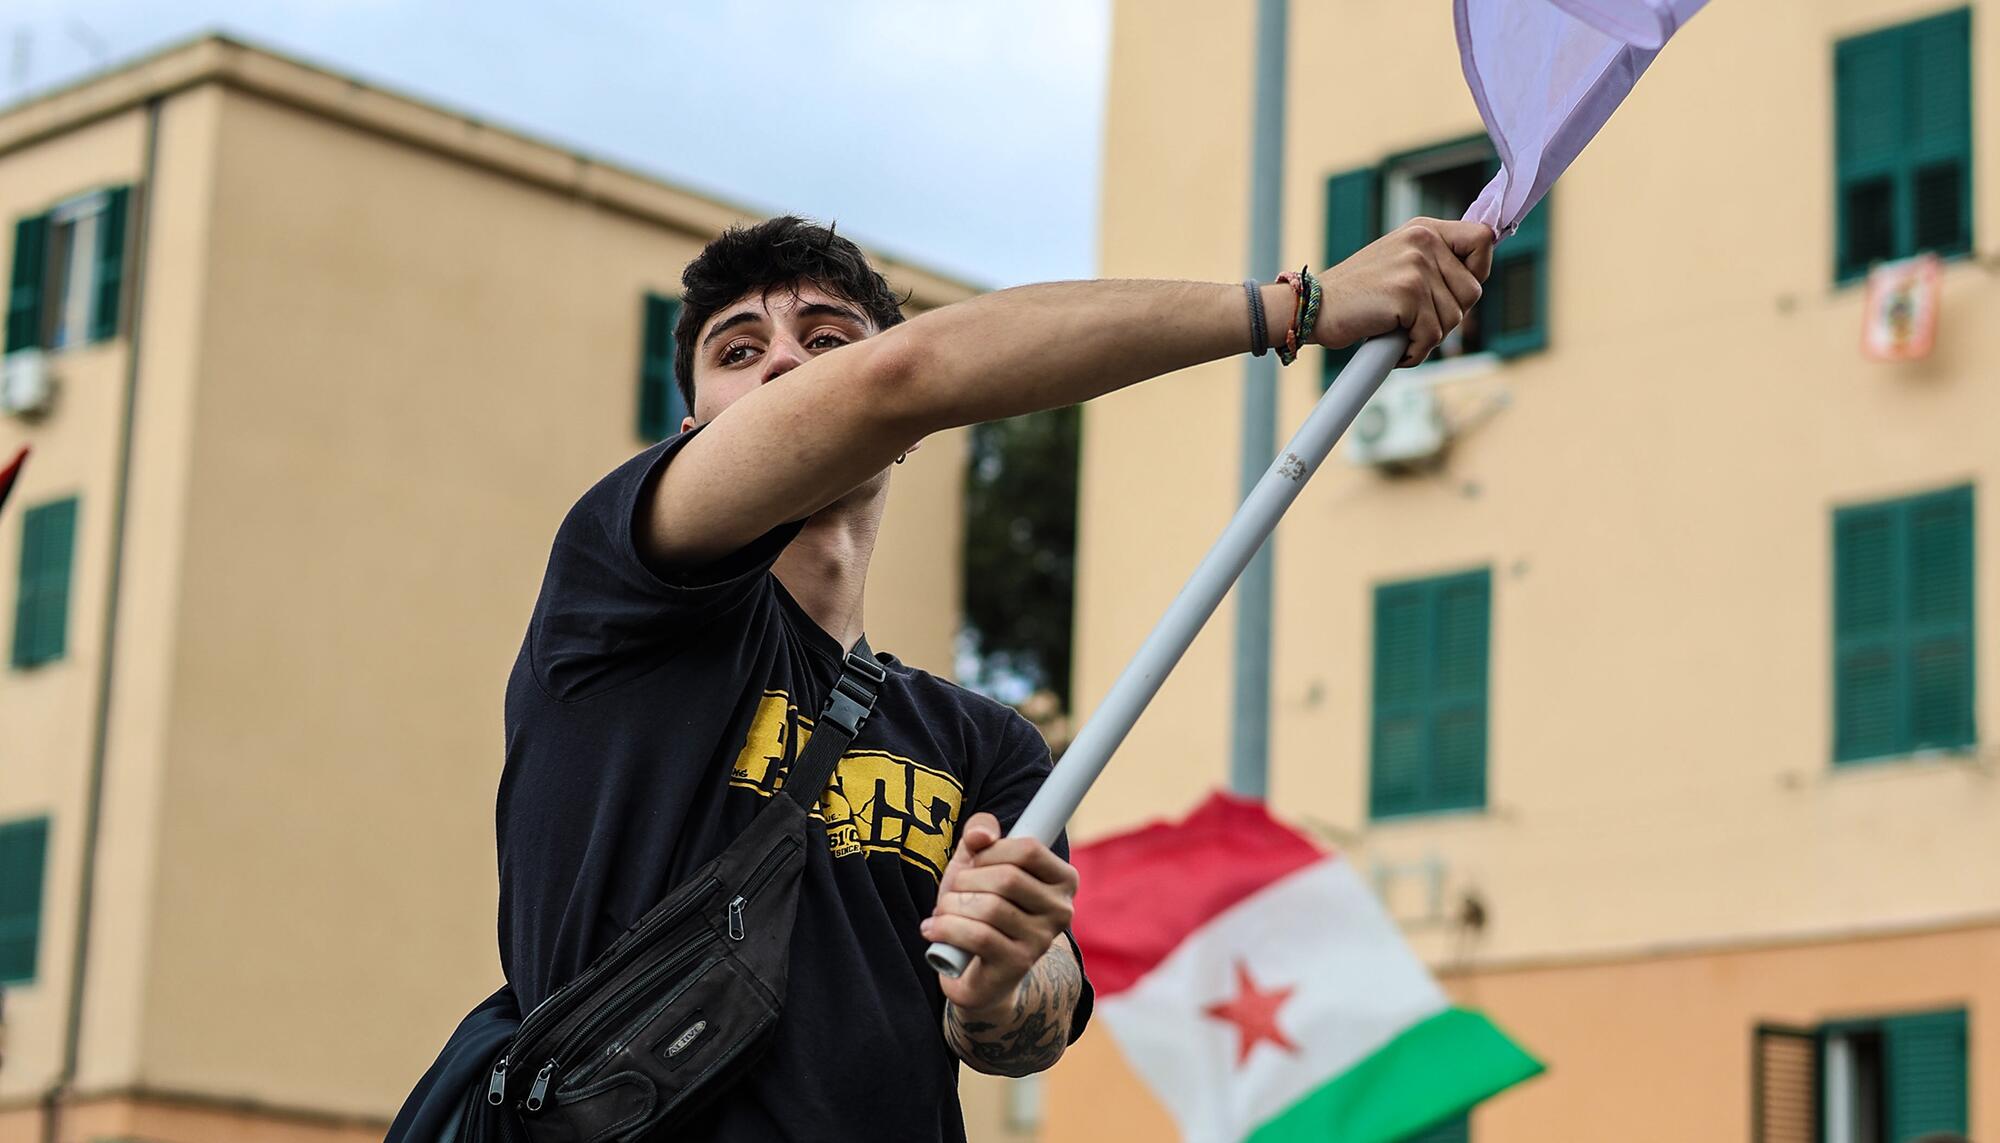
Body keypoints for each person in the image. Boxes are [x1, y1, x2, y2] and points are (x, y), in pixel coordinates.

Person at [392, 213, 1493, 1143]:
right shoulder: (619, 599)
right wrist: (1294, 309)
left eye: (827, 339)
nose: (784, 362)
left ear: (906, 445)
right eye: (738, 352)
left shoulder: (983, 744)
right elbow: (900, 378)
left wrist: (1006, 976)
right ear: (691, 434)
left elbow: (1026, 1030)